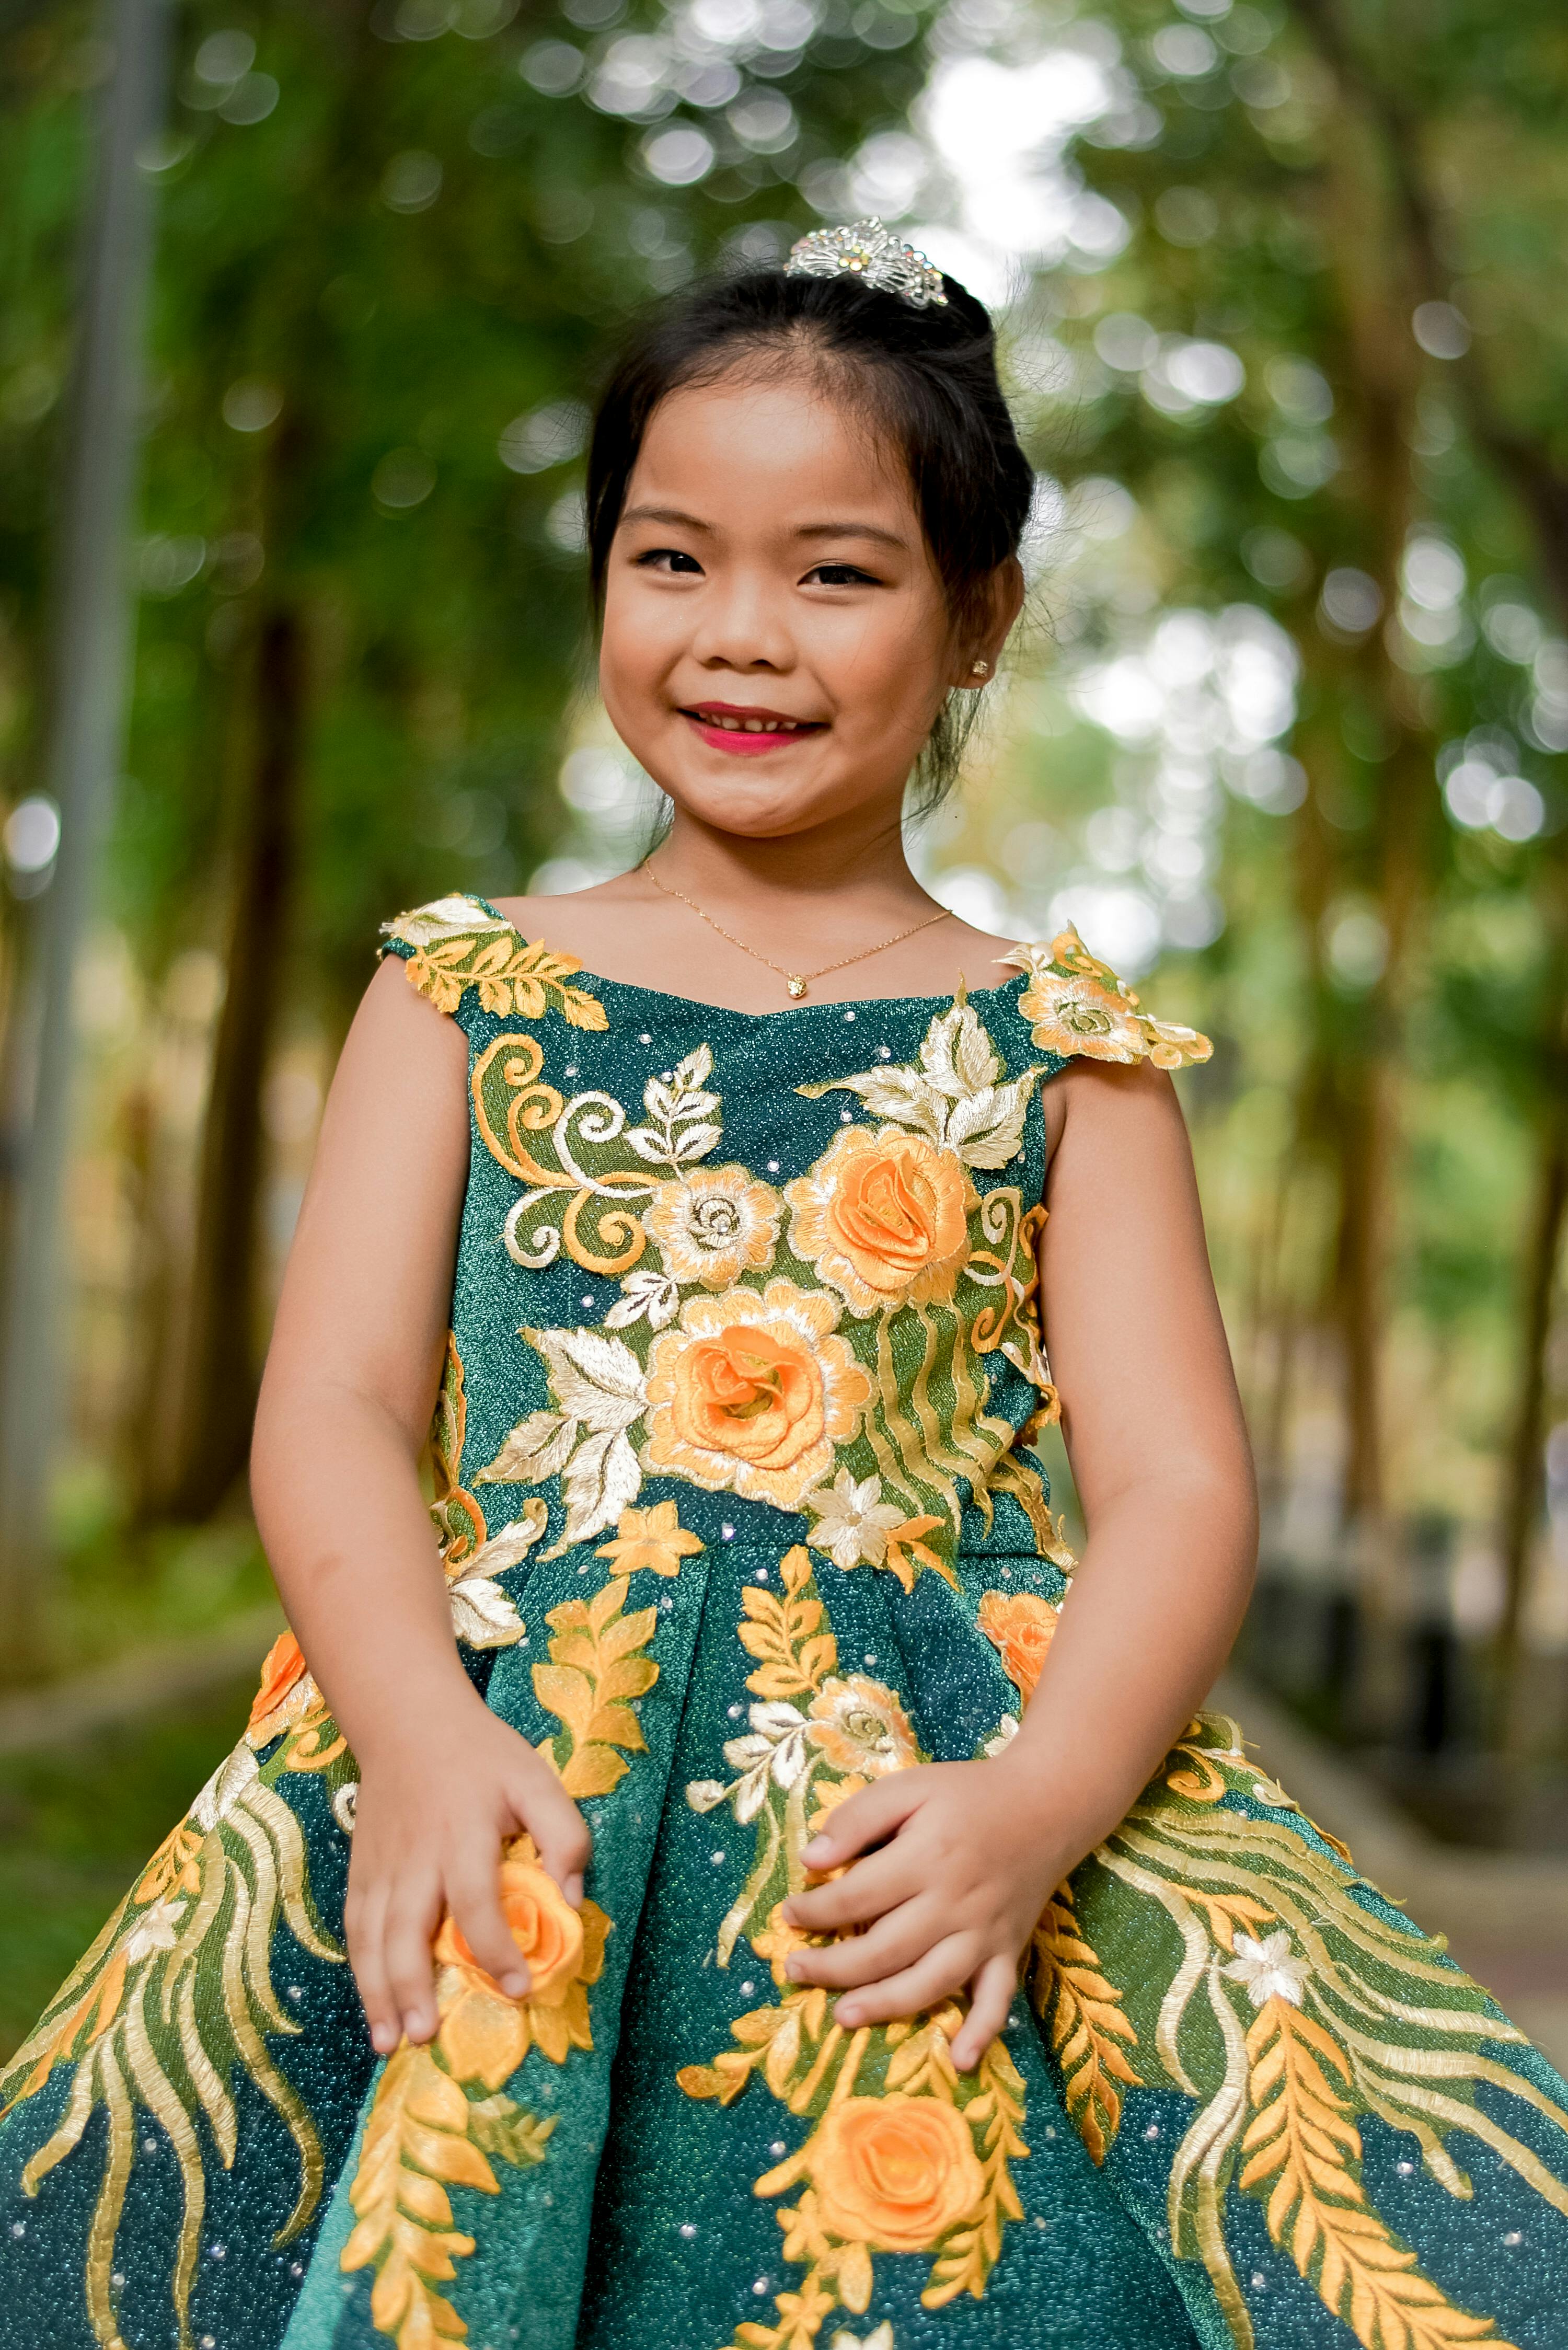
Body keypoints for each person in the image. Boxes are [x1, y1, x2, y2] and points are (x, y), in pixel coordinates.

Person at [2, 221, 1565, 2350]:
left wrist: (1035, 1806)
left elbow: (1187, 1485)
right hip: (504, 1790)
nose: (743, 636)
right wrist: (416, 1730)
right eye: (672, 560)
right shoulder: (464, 989)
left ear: (977, 614)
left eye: (836, 571)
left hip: (915, 1834)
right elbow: (340, 1403)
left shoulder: (1064, 1043)